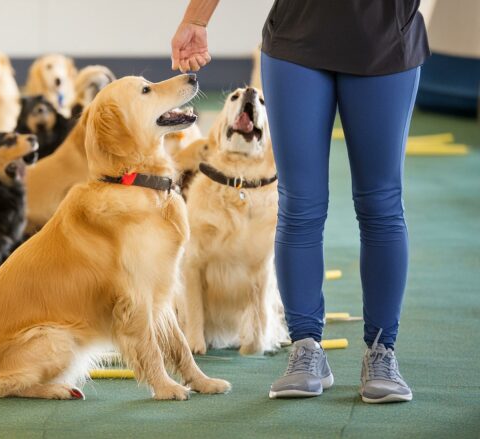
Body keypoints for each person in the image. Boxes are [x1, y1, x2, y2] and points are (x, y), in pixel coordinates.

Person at [171, 0, 429, 403]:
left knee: (381, 205)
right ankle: (306, 348)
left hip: (386, 40)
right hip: (298, 39)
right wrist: (196, 18)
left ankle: (382, 351)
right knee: (300, 205)